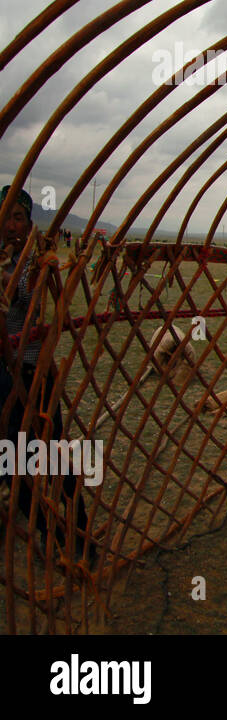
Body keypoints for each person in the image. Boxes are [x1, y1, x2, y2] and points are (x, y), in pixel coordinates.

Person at [2, 185, 96, 563]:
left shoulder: (34, 264)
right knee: (12, 467)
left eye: (17, 217)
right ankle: (50, 531)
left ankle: (79, 538)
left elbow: (36, 304)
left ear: (29, 223)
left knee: (53, 462)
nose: (9, 225)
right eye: (4, 216)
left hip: (32, 377)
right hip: (4, 380)